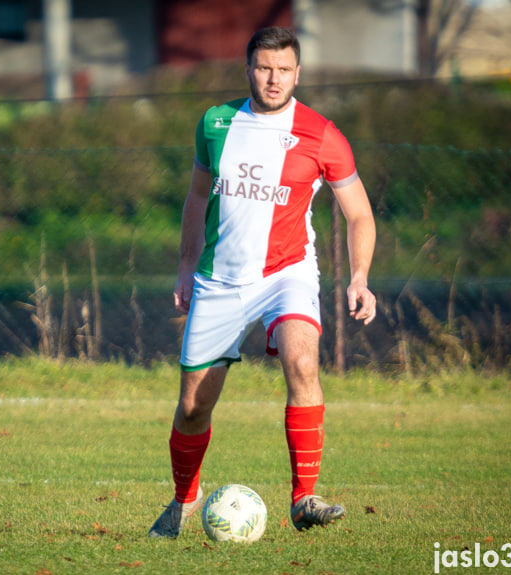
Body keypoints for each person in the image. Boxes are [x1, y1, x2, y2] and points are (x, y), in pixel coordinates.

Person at [148, 26, 377, 539]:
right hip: (220, 280)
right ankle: (185, 499)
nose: (274, 80)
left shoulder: (322, 135)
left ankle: (304, 498)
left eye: (284, 70)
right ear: (248, 69)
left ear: (298, 74)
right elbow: (195, 199)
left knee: (301, 360)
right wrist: (186, 266)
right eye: (264, 68)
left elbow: (359, 215)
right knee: (192, 407)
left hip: (288, 273)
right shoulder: (215, 123)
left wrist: (359, 277)